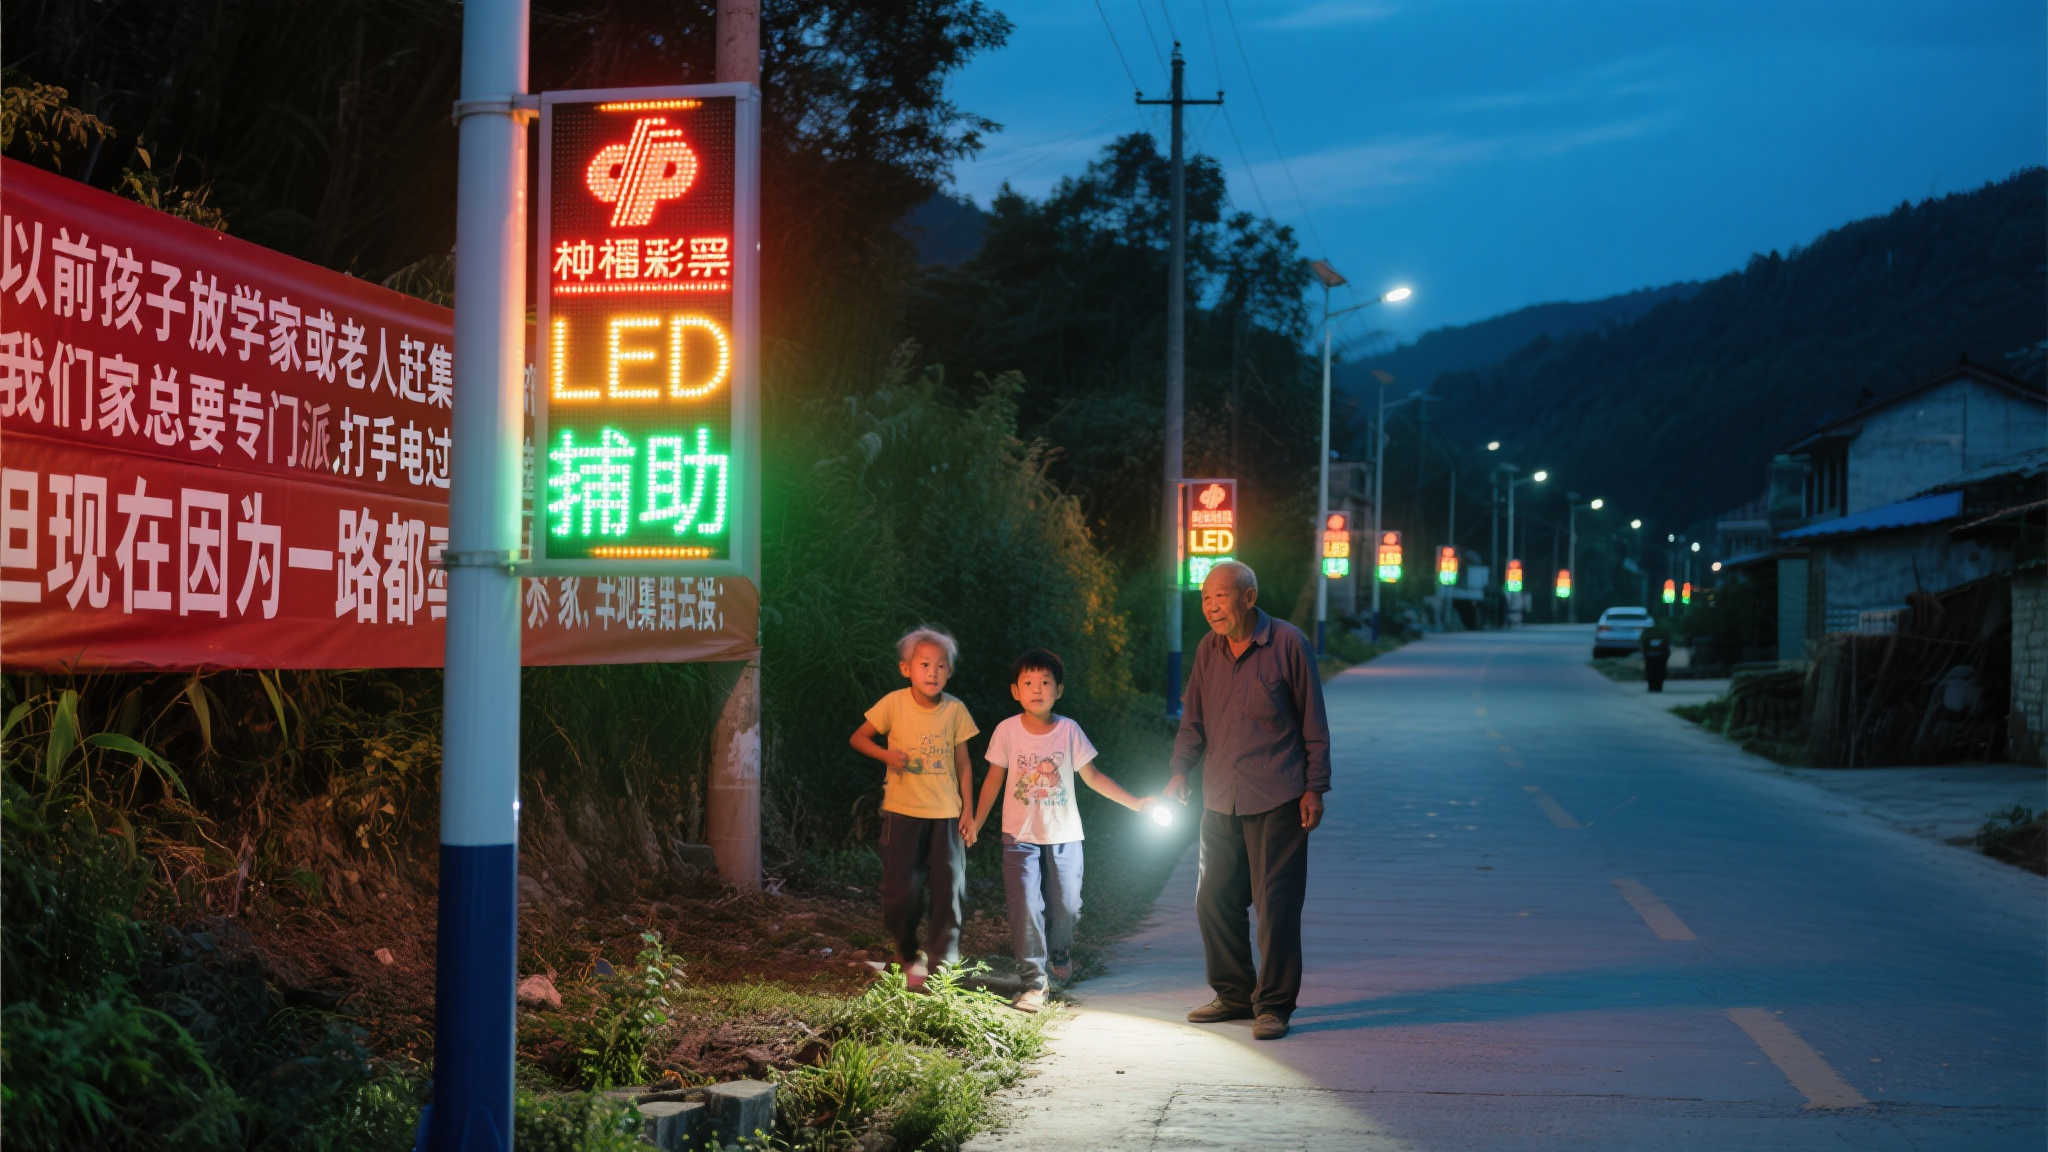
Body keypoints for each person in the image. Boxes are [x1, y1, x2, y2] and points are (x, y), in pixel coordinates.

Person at [1164, 561, 1330, 1041]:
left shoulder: (1289, 645)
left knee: (1276, 906)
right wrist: (1179, 770)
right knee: (1213, 899)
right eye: (1205, 598)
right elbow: (1192, 718)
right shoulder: (1208, 649)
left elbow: (1314, 724)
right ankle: (1234, 993)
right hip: (1220, 797)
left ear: (1249, 597)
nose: (1211, 606)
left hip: (1278, 795)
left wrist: (1315, 787)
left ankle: (1274, 1005)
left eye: (1221, 596)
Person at [967, 648, 1156, 1013]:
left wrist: (1135, 803)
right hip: (1019, 836)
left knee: (1066, 906)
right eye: (1028, 683)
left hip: (1065, 834)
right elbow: (993, 780)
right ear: (1015, 691)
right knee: (1025, 906)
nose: (1037, 689)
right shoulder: (1007, 731)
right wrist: (975, 819)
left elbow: (1093, 777)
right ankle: (1034, 983)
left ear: (1059, 691)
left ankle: (1059, 949)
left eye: (1045, 682)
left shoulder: (1069, 731)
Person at [850, 627, 979, 991]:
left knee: (948, 892)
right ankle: (909, 956)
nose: (932, 672)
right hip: (902, 812)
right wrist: (887, 755)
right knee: (900, 893)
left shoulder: (955, 710)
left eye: (941, 666)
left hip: (946, 815)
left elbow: (965, 764)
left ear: (949, 672)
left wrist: (968, 811)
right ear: (906, 668)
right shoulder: (893, 703)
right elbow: (858, 737)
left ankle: (942, 970)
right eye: (924, 664)